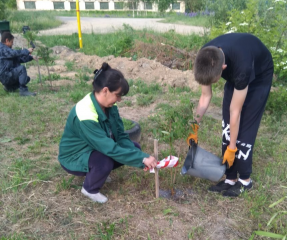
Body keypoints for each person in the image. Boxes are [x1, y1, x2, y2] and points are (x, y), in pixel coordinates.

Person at [187, 33, 273, 197]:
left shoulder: (242, 67)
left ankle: (245, 181)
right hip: (238, 70)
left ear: (223, 68)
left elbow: (236, 112)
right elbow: (205, 97)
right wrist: (194, 127)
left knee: (245, 127)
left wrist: (232, 148)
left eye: (214, 81)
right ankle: (230, 178)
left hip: (259, 76)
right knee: (227, 127)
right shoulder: (206, 57)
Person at [58, 62, 157, 203]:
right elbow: (108, 147)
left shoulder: (110, 105)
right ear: (105, 90)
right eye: (117, 95)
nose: (119, 99)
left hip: (95, 147)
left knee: (134, 148)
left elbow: (120, 135)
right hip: (74, 156)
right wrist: (142, 159)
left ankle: (98, 173)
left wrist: (141, 156)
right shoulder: (85, 113)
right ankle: (89, 189)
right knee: (104, 161)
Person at [0, 32, 36, 96]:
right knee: (21, 68)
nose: (12, 44)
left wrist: (31, 57)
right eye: (11, 42)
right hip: (5, 76)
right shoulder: (2, 49)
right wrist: (26, 51)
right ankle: (23, 91)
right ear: (7, 40)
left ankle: (9, 88)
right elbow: (14, 53)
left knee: (26, 79)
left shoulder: (7, 51)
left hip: (7, 75)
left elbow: (18, 59)